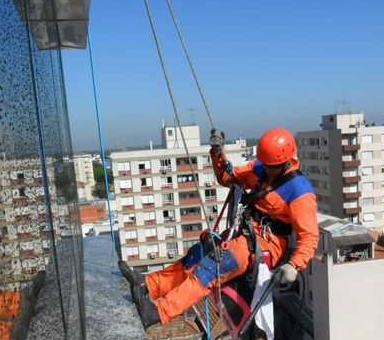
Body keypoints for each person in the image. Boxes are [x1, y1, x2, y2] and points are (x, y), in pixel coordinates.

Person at [120, 127, 318, 328]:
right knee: (196, 256)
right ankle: (149, 285)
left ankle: (159, 312)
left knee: (212, 268)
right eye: (264, 164)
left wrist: (294, 265)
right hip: (245, 233)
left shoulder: (300, 191)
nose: (266, 169)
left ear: (284, 163)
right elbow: (227, 178)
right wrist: (217, 154)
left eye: (270, 166)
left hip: (268, 243)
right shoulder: (262, 169)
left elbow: (309, 237)